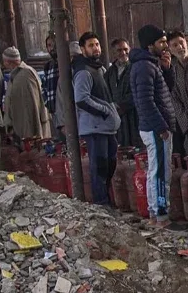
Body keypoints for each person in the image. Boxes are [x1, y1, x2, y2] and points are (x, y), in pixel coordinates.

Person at [130, 25, 176, 225]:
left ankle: (154, 212)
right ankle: (160, 214)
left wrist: (167, 70)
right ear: (150, 45)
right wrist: (162, 128)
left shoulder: (151, 65)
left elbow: (163, 91)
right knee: (159, 174)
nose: (165, 46)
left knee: (156, 171)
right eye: (162, 42)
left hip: (155, 126)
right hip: (155, 128)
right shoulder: (144, 67)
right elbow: (146, 102)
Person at [72, 32, 121, 207]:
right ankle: (101, 203)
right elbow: (81, 99)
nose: (96, 48)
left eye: (97, 44)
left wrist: (112, 109)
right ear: (83, 49)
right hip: (95, 128)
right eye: (91, 45)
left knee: (109, 165)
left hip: (107, 127)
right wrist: (105, 111)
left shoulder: (98, 68)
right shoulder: (84, 72)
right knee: (99, 167)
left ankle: (106, 200)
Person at [1, 47, 51, 140]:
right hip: (20, 127)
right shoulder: (16, 75)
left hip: (28, 129)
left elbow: (31, 104)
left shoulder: (25, 74)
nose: (3, 64)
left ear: (9, 61)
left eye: (4, 61)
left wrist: (30, 132)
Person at [104, 38, 138, 148]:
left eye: (125, 49)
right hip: (117, 117)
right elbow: (106, 92)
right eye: (119, 50)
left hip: (134, 116)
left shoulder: (135, 67)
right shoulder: (110, 72)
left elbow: (137, 91)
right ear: (114, 53)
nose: (123, 53)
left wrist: (120, 104)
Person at [40, 34, 60, 133]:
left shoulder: (65, 63)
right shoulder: (48, 66)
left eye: (54, 45)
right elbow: (44, 87)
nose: (52, 48)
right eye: (49, 45)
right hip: (54, 111)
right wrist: (48, 103)